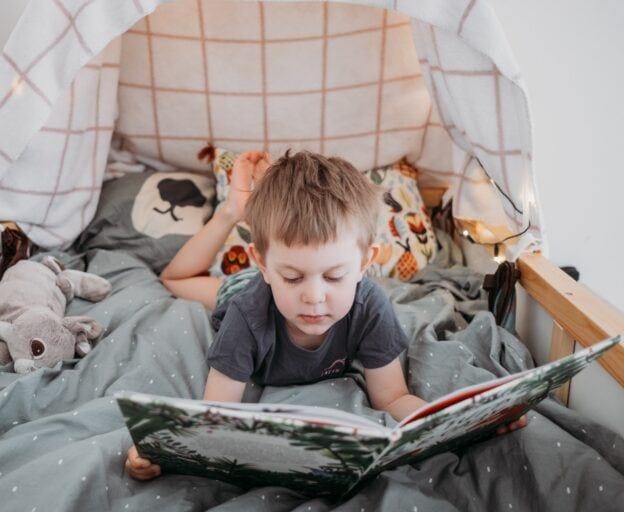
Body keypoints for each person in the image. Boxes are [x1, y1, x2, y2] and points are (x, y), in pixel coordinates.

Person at [126, 150, 525, 480]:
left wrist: (468, 426)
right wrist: (162, 450)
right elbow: (214, 418)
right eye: (294, 276)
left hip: (280, 284)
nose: (314, 298)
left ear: (366, 263)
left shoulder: (370, 306)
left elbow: (393, 397)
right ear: (263, 263)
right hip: (248, 292)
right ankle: (233, 211)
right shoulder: (248, 315)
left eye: (335, 276)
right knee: (176, 280)